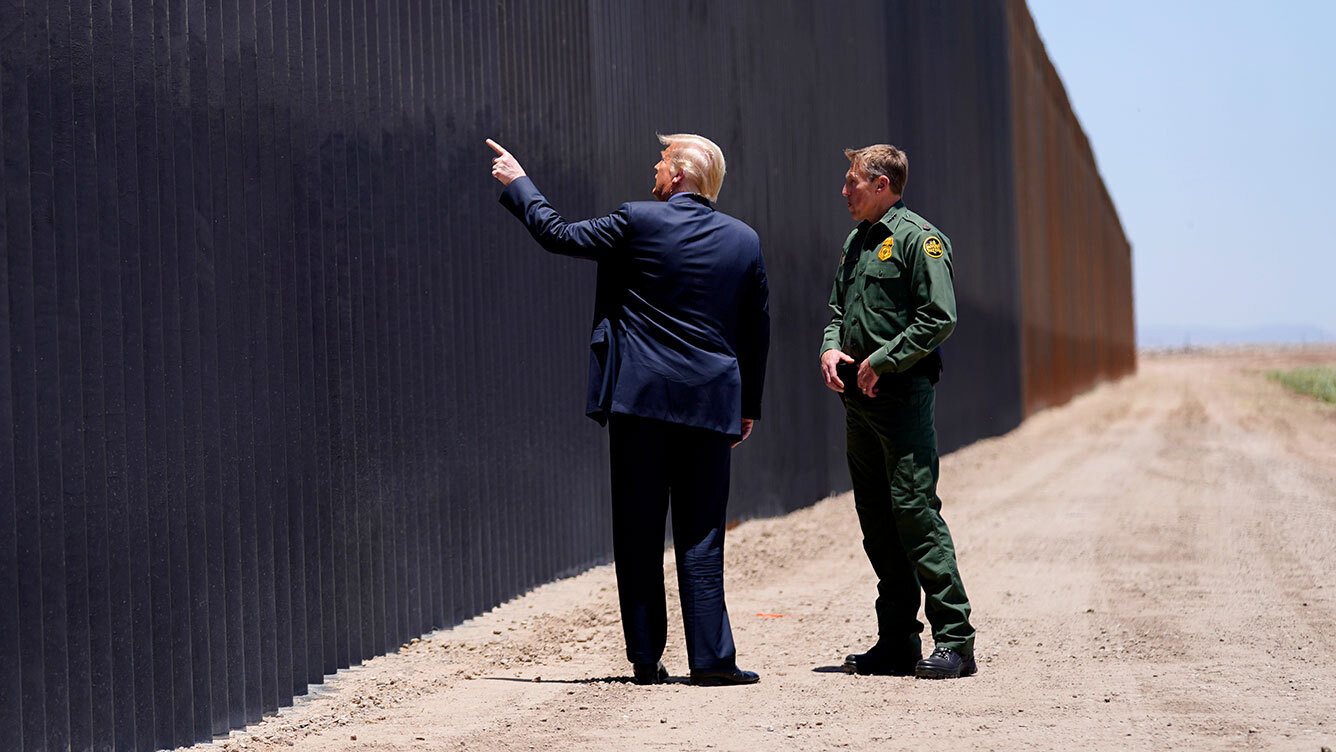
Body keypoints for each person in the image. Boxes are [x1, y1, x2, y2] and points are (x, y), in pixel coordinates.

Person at [487, 133, 770, 686]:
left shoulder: (638, 220)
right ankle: (712, 660)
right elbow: (756, 331)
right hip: (712, 405)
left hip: (640, 404)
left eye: (662, 163)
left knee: (639, 531)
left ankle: (646, 658)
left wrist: (520, 182)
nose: (654, 169)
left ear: (682, 175)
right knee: (702, 534)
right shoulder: (745, 241)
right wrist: (748, 407)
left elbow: (558, 234)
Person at [819, 144, 977, 679]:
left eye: (853, 182)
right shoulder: (856, 242)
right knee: (877, 521)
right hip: (857, 402)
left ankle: (955, 640)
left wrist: (883, 361)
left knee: (914, 514)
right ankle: (897, 642)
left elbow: (939, 317)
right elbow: (838, 311)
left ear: (882, 184)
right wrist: (829, 347)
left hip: (901, 399)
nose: (845, 191)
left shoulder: (918, 240)